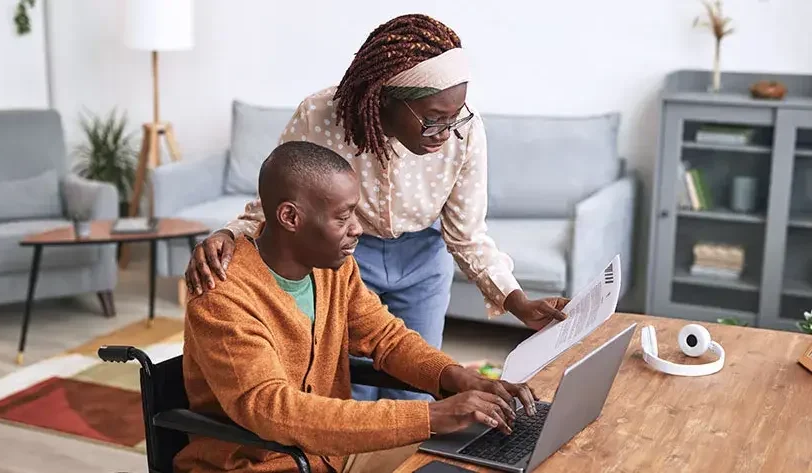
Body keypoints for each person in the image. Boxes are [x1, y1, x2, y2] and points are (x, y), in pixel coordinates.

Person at [184, 14, 569, 402]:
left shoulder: (463, 132)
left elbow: (467, 234)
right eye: (434, 120)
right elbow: (281, 197)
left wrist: (516, 300)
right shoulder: (321, 117)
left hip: (423, 259)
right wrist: (229, 233)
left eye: (456, 117)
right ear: (386, 98)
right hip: (345, 259)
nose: (447, 132)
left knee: (419, 386)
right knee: (349, 387)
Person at [175, 141, 539, 473]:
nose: (357, 229)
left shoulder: (334, 267)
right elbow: (274, 409)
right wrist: (431, 415)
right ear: (290, 217)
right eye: (343, 216)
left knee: (481, 460)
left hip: (331, 458)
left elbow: (387, 338)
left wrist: (456, 377)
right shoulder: (222, 295)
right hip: (255, 465)